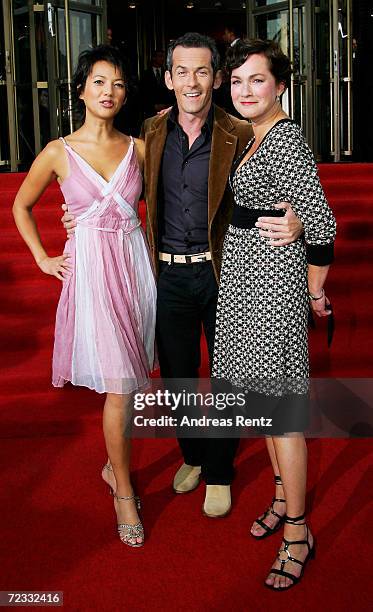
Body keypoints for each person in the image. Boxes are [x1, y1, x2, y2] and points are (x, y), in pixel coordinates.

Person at [62, 32, 303, 519]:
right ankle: (193, 456)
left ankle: (219, 471)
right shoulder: (148, 134)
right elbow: (117, 190)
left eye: (202, 72)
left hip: (227, 273)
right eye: (181, 72)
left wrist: (296, 216)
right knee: (178, 377)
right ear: (168, 78)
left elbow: (283, 179)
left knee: (228, 380)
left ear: (216, 78)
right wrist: (75, 218)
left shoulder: (241, 132)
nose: (192, 82)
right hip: (166, 275)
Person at [12, 45, 157, 548]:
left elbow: (168, 205)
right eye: (99, 82)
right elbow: (21, 206)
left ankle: (113, 463)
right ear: (81, 89)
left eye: (118, 84)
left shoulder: (140, 148)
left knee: (132, 382)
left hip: (135, 270)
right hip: (93, 274)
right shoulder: (58, 151)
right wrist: (43, 258)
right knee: (120, 382)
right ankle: (123, 490)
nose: (109, 92)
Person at [212, 39, 336, 589]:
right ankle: (284, 496)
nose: (245, 91)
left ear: (280, 85)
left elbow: (323, 223)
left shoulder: (285, 140)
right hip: (243, 287)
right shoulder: (250, 135)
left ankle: (298, 532)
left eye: (256, 80)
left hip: (271, 293)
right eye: (237, 82)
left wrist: (312, 289)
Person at [139, 49, 174, 118]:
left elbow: (171, 92)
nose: (162, 59)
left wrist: (167, 106)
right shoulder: (146, 74)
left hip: (166, 111)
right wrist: (153, 106)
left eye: (163, 57)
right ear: (154, 58)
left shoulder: (167, 73)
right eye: (160, 56)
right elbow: (142, 94)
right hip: (150, 112)